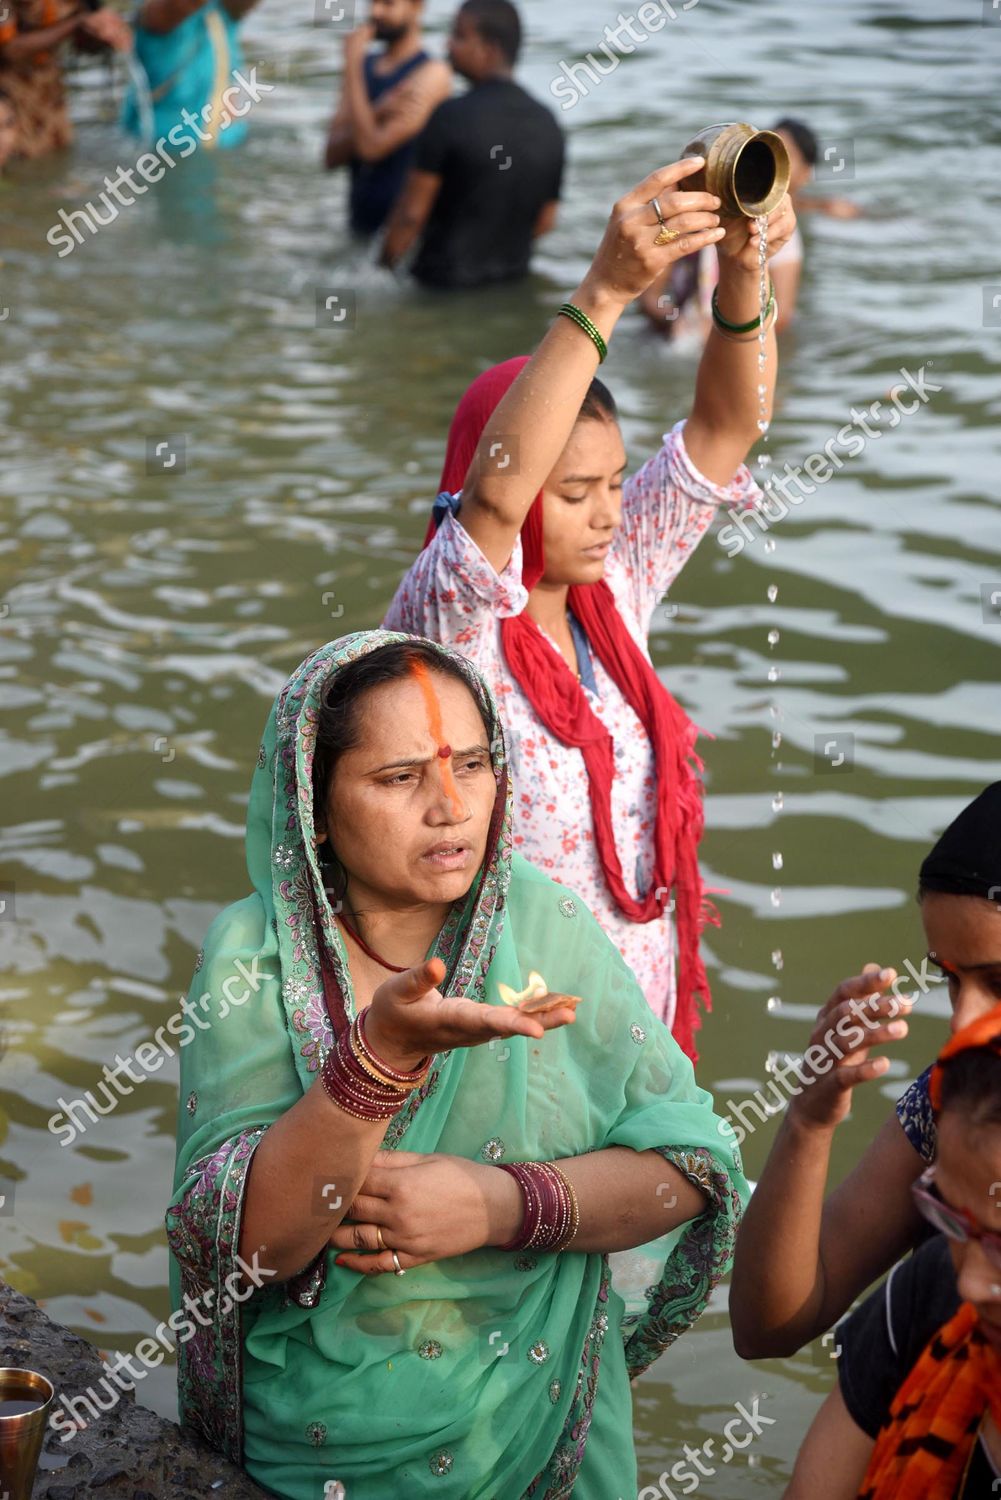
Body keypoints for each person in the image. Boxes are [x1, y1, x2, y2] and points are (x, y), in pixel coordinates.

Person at [164, 631, 748, 1499]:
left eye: (472, 765)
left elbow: (695, 1173)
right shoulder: (255, 958)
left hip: (529, 1419)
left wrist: (496, 1205)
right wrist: (379, 1058)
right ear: (313, 803)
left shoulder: (545, 926)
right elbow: (247, 1248)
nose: (451, 807)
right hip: (316, 1443)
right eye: (400, 778)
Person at [384, 157, 796, 1051]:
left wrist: (744, 265)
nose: (610, 511)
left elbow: (728, 426)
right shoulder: (448, 625)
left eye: (614, 482)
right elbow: (493, 503)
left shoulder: (611, 588)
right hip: (502, 1025)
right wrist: (606, 289)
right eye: (573, 493)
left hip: (634, 1004)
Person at [730, 781, 1001, 1359]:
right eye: (951, 980)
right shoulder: (943, 1099)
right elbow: (769, 1325)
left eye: (996, 984)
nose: (963, 1020)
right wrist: (809, 1117)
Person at [784, 1007, 1001, 1497]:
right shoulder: (932, 1294)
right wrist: (807, 1124)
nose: (971, 1282)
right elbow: (770, 1325)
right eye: (953, 1219)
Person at [380, 0, 564, 289]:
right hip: (511, 284)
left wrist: (383, 267)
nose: (449, 45)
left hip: (441, 288)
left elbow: (410, 217)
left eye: (459, 36)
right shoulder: (548, 122)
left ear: (489, 50)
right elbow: (546, 220)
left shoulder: (449, 116)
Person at [640, 115, 862, 340]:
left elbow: (782, 314)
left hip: (734, 340)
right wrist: (673, 318)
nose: (769, 162)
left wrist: (723, 330)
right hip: (679, 338)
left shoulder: (777, 229)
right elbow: (652, 295)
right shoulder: (692, 214)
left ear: (805, 174)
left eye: (785, 155)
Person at [324, 0, 452, 239]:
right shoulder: (362, 68)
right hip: (357, 227)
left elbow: (371, 148)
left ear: (417, 7)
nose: (375, 12)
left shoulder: (431, 75)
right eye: (371, 2)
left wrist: (352, 63)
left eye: (388, 3)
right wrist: (378, 110)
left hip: (404, 236)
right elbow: (331, 156)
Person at [122, 0, 262, 150]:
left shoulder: (220, 10)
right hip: (163, 155)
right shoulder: (158, 12)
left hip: (227, 147)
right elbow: (180, 5)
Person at [0, 0, 130, 160]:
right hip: (10, 93)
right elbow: (11, 49)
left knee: (56, 157)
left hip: (50, 92)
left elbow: (83, 43)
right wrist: (76, 23)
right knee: (13, 158)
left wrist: (101, 31)